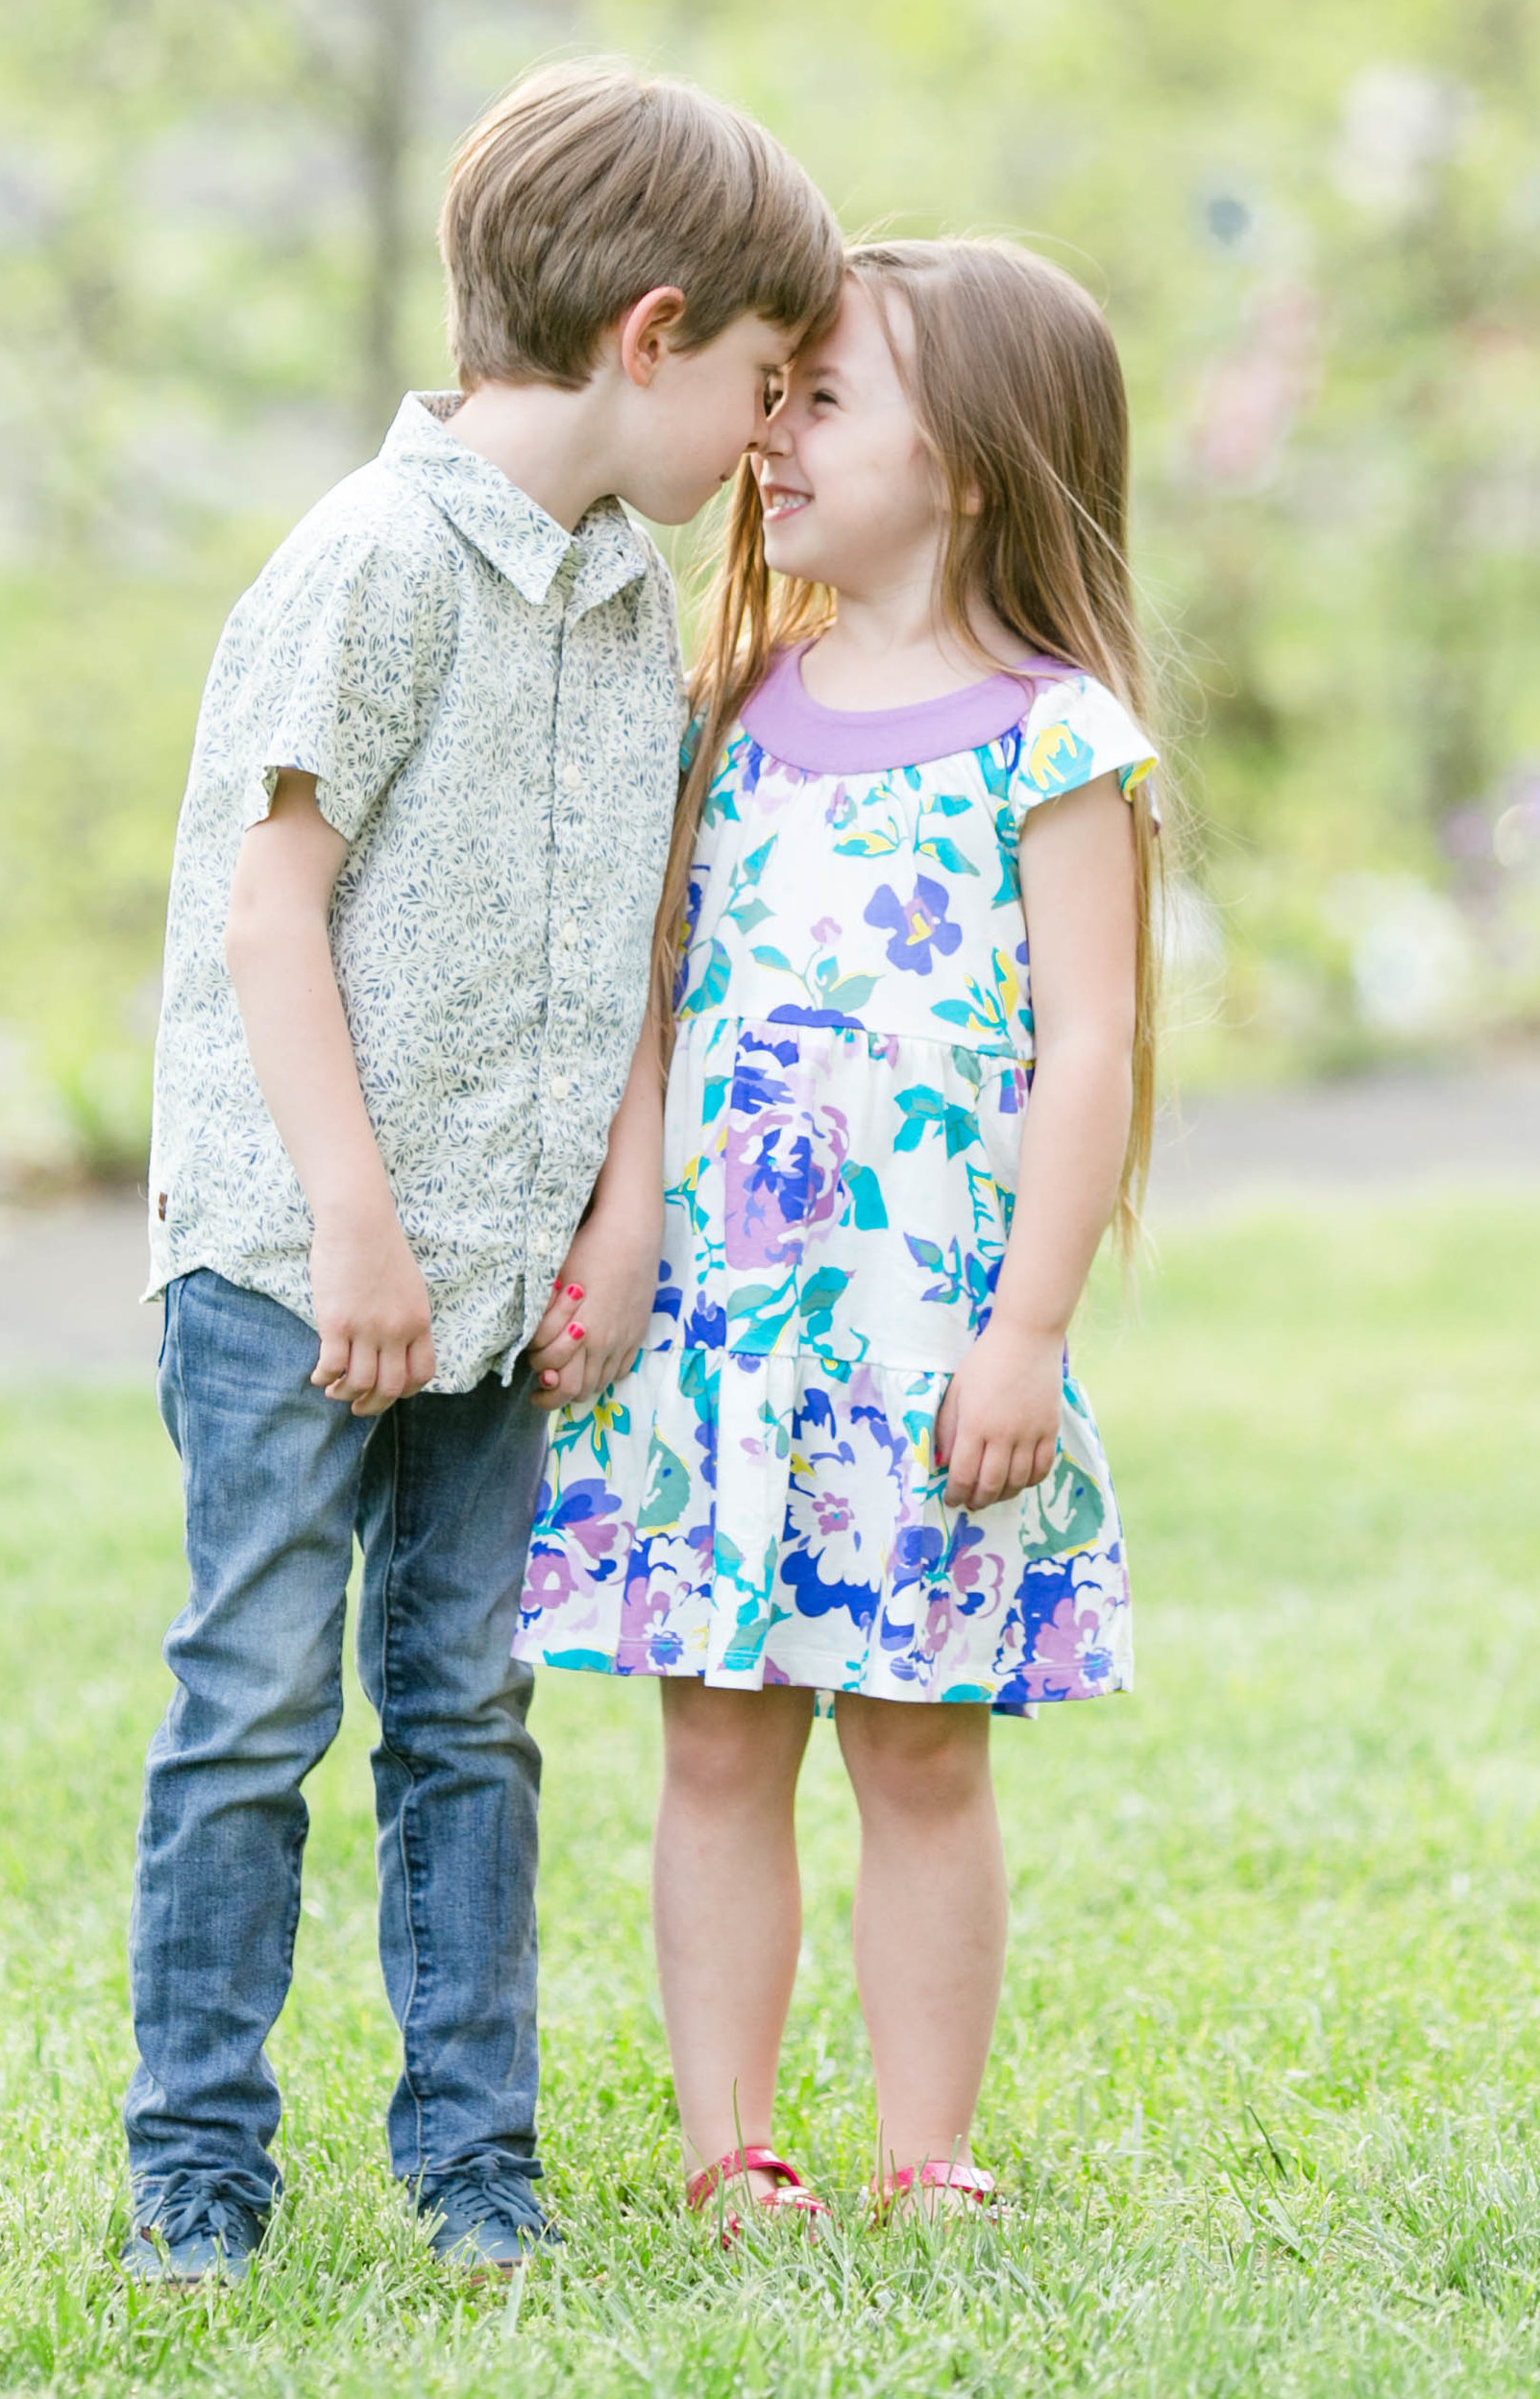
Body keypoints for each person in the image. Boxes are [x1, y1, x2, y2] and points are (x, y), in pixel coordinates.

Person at [121, 61, 841, 2288]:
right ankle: (200, 2169)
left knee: (464, 1710)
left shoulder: (633, 612)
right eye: (758, 380)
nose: (768, 433)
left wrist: (616, 1219)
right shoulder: (372, 560)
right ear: (649, 334)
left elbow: (632, 946)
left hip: (509, 1274)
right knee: (257, 1703)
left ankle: (471, 2161)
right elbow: (271, 906)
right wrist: (354, 1217)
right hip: (294, 1264)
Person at [515, 237, 1161, 2229]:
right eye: (765, 397)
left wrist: (1027, 1334)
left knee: (917, 1756)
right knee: (715, 1748)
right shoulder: (731, 706)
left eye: (819, 402)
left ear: (962, 462)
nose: (766, 439)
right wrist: (620, 1234)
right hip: (723, 1337)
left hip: (924, 1342)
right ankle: (729, 2157)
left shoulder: (1051, 740)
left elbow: (1087, 1056)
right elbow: (645, 992)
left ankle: (922, 2153)